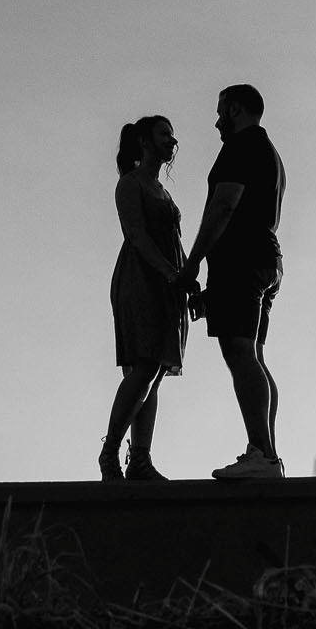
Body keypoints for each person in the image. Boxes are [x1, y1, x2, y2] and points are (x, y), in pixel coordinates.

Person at [183, 84, 286, 479]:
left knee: (240, 352)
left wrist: (193, 262)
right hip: (265, 259)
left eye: (221, 111)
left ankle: (262, 454)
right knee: (253, 355)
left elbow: (224, 206)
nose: (216, 121)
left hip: (243, 260)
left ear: (237, 109)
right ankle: (268, 455)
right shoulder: (269, 152)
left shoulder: (240, 146)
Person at [102, 115, 191, 481]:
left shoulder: (163, 192)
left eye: (172, 134)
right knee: (144, 367)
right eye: (164, 134)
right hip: (140, 280)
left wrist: (188, 281)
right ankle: (110, 452)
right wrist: (171, 274)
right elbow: (136, 236)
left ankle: (140, 458)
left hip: (168, 285)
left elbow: (175, 244)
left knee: (154, 373)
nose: (172, 140)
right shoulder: (130, 184)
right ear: (144, 140)